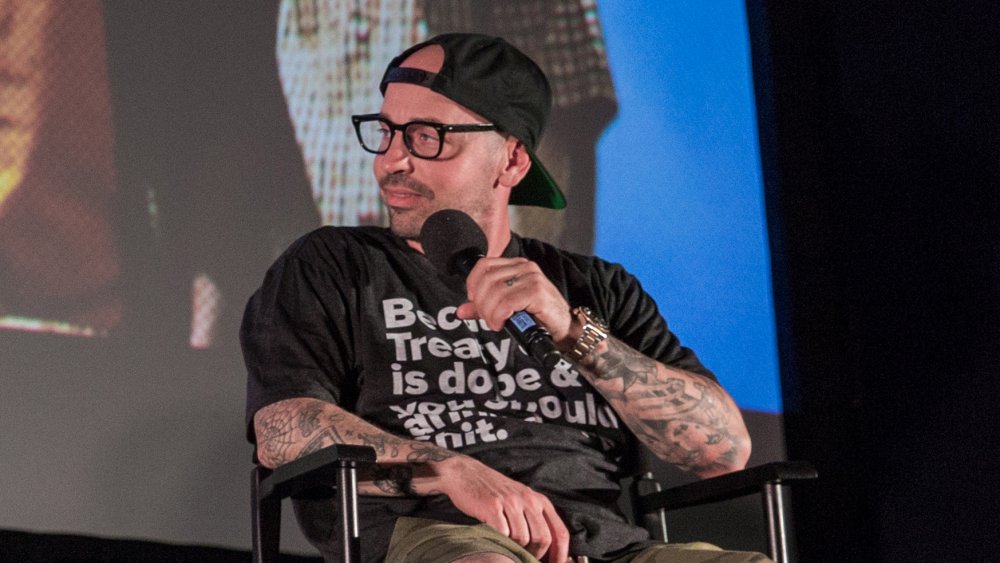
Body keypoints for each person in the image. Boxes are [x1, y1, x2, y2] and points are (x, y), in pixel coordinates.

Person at [242, 34, 764, 563]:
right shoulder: (334, 265)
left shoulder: (596, 287)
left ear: (512, 161)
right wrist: (449, 470)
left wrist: (574, 333)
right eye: (386, 133)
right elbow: (282, 431)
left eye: (427, 137)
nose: (390, 162)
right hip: (441, 537)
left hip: (605, 548)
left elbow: (723, 451)